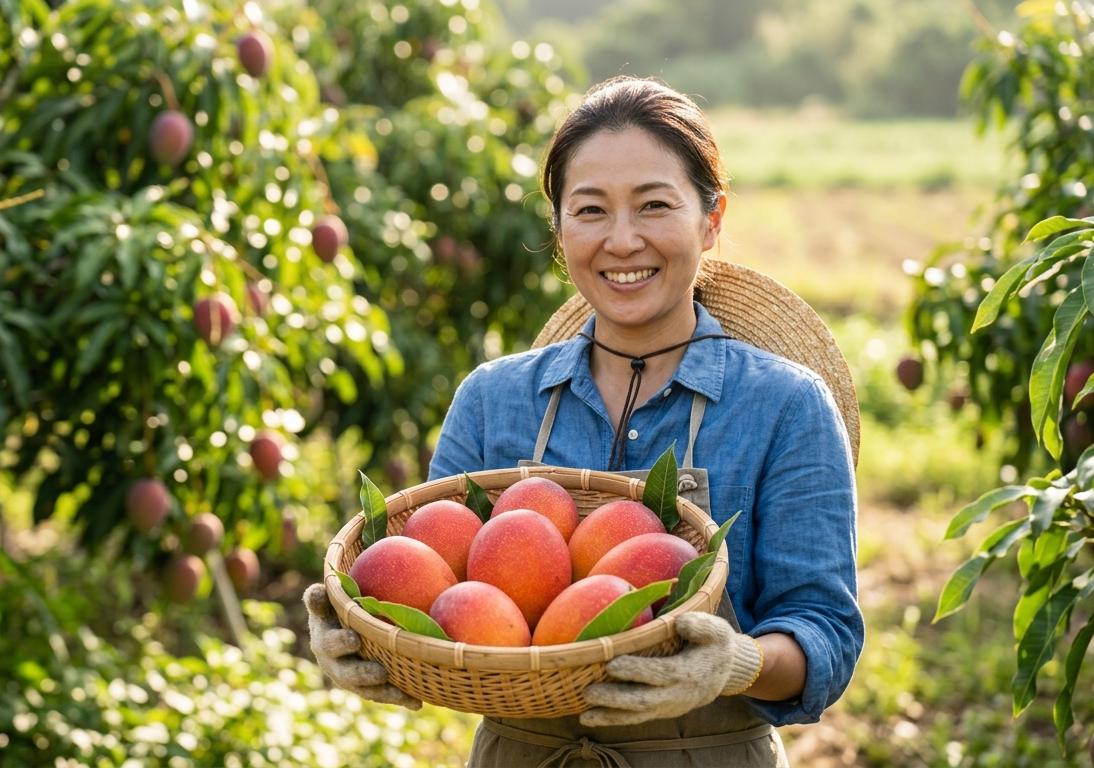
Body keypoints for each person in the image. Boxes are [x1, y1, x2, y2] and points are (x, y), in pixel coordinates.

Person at [303, 76, 863, 767]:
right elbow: (438, 592)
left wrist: (735, 663)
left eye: (654, 205)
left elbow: (827, 636)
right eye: (590, 210)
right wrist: (362, 631)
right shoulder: (493, 400)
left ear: (712, 220)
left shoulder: (784, 406)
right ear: (559, 227)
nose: (622, 240)